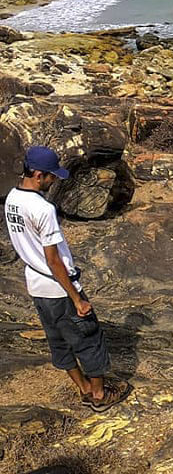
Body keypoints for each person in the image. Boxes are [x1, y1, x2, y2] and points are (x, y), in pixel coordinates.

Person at [3, 146, 130, 411]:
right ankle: (98, 395)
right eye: (51, 177)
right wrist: (77, 297)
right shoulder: (43, 209)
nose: (54, 181)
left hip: (36, 285)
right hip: (58, 288)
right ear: (38, 175)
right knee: (88, 338)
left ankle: (83, 386)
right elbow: (53, 260)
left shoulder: (13, 199)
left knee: (58, 340)